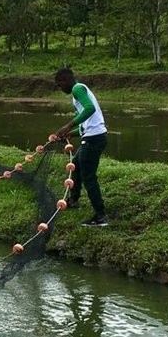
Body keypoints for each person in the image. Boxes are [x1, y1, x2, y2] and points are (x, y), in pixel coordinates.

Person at [52, 68, 109, 226]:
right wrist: (72, 134)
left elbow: (90, 109)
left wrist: (69, 125)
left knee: (88, 176)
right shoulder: (78, 91)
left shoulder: (77, 89)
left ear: (66, 80)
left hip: (94, 139)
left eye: (59, 84)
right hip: (93, 136)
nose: (60, 87)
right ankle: (73, 200)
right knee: (75, 166)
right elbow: (88, 123)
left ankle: (101, 216)